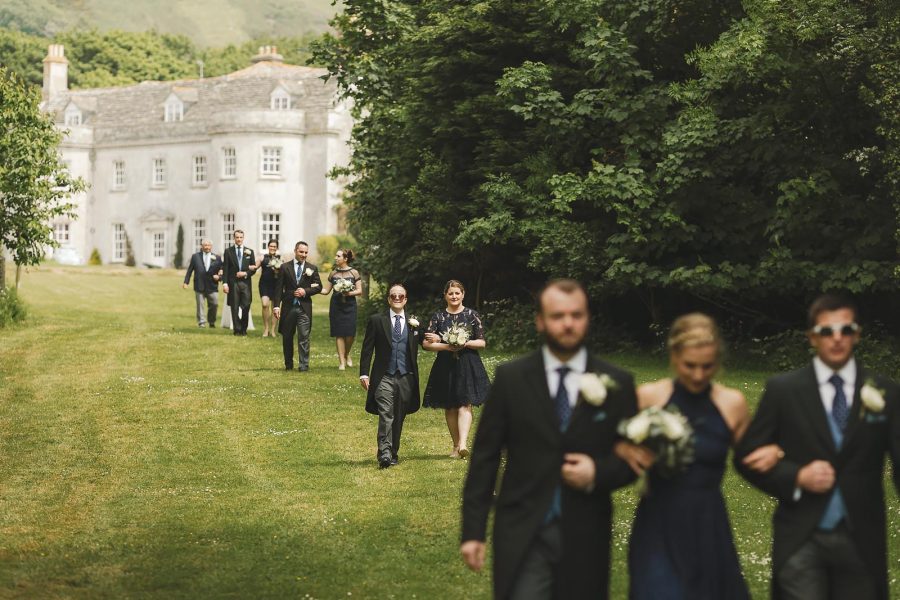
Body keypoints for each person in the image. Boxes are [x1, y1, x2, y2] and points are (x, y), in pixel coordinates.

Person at [461, 279, 637, 599]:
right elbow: (485, 456)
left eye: (576, 315)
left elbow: (632, 458)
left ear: (587, 318)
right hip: (523, 527)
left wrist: (598, 472)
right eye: (558, 316)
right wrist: (473, 532)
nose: (568, 323)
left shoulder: (617, 383)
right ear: (540, 321)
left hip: (585, 530)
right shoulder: (511, 379)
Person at [735, 294, 900, 600]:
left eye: (845, 330)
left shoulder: (885, 391)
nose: (836, 339)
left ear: (857, 334)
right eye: (827, 331)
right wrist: (795, 477)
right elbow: (746, 457)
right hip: (801, 535)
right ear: (812, 337)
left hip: (861, 536)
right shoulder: (783, 390)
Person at [615, 313, 782, 599]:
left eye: (708, 366)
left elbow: (750, 458)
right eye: (689, 365)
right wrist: (622, 447)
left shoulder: (732, 403)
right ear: (674, 356)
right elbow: (608, 439)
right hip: (657, 520)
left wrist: (775, 450)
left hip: (707, 521)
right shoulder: (648, 397)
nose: (698, 375)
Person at [422, 280, 490, 458]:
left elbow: (481, 342)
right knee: (450, 407)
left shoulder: (471, 315)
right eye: (450, 293)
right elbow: (426, 345)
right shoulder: (438, 317)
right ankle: (455, 445)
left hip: (468, 363)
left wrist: (463, 343)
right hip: (445, 365)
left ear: (463, 294)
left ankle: (463, 444)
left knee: (465, 404)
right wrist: (446, 346)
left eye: (457, 293)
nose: (454, 296)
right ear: (445, 295)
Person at [358, 283, 422, 468]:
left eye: (400, 296)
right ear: (388, 299)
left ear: (405, 299)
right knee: (386, 414)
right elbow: (367, 348)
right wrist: (363, 373)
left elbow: (426, 340)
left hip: (406, 376)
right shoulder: (377, 320)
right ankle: (384, 453)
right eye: (393, 295)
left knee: (399, 415)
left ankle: (393, 452)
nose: (397, 298)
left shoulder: (414, 322)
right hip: (384, 376)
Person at [273, 241, 321, 371]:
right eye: (301, 252)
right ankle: (288, 365)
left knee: (304, 337)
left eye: (306, 252)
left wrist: (306, 291)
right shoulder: (284, 267)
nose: (304, 255)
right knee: (287, 336)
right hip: (288, 307)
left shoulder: (312, 268)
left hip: (304, 308)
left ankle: (303, 366)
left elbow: (318, 287)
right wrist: (276, 306)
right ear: (295, 251)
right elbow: (278, 289)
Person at [320, 248, 363, 369]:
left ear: (345, 259)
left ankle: (346, 354)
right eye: (336, 256)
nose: (335, 258)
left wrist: (349, 293)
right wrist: (314, 289)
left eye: (338, 256)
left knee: (350, 334)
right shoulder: (333, 273)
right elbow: (326, 291)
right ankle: (342, 362)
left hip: (350, 306)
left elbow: (359, 291)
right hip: (336, 305)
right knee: (339, 333)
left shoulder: (354, 273)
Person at [222, 229, 257, 336]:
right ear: (234, 238)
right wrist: (225, 283)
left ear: (243, 238)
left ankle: (243, 328)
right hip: (233, 283)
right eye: (237, 237)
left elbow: (253, 268)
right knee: (234, 306)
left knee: (246, 305)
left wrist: (245, 274)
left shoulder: (249, 251)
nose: (239, 239)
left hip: (246, 283)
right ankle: (237, 329)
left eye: (241, 237)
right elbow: (226, 268)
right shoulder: (228, 251)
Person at [181, 238, 222, 328]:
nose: (207, 247)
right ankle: (201, 322)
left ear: (211, 246)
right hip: (199, 285)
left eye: (208, 245)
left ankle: (212, 322)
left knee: (214, 304)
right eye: (205, 245)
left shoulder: (217, 258)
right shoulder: (195, 257)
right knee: (200, 305)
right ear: (202, 246)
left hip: (212, 285)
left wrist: (219, 277)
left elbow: (222, 271)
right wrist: (186, 282)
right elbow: (190, 270)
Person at [256, 239, 282, 338]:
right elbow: (255, 267)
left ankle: (273, 330)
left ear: (277, 248)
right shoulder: (263, 257)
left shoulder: (281, 258)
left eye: (274, 246)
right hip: (264, 285)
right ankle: (266, 328)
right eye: (271, 246)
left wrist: (277, 270)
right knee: (265, 304)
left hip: (276, 286)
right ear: (268, 247)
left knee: (275, 307)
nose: (272, 248)